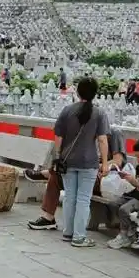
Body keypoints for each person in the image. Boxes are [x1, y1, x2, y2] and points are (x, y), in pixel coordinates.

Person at [24, 124, 124, 231]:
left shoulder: (114, 133)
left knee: (59, 173)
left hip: (105, 178)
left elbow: (118, 162)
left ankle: (45, 174)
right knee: (56, 175)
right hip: (87, 173)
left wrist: (92, 165)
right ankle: (48, 219)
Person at [53, 77, 109, 247]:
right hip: (89, 162)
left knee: (70, 197)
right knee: (84, 199)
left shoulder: (67, 110)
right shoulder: (99, 113)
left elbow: (58, 136)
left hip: (67, 160)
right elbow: (102, 140)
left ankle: (68, 232)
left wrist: (58, 155)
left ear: (77, 92)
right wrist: (105, 162)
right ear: (95, 93)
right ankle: (79, 236)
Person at [107, 138, 139, 249]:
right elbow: (137, 184)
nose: (138, 160)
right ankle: (128, 228)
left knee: (124, 209)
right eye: (136, 157)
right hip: (134, 194)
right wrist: (127, 177)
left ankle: (124, 235)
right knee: (113, 204)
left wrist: (132, 180)